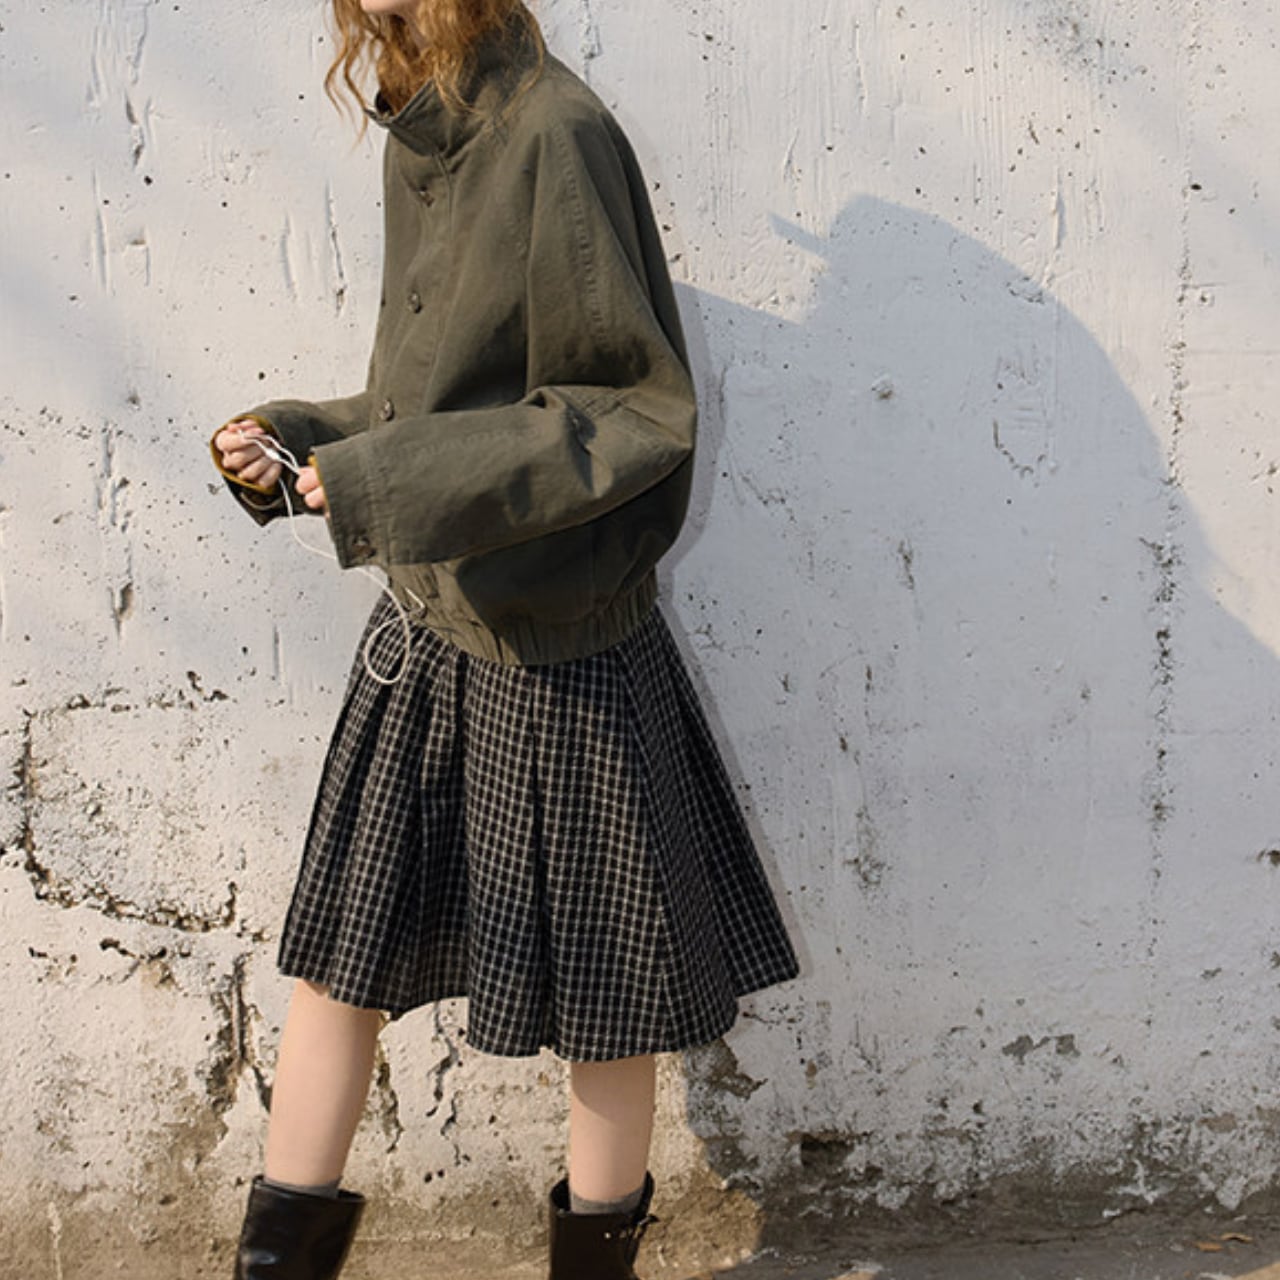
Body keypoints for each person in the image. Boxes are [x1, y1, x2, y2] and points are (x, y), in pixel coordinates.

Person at [210, 1, 799, 1276]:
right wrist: (301, 441)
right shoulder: (426, 129)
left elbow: (631, 413)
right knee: (339, 961)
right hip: (430, 634)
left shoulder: (556, 132)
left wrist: (381, 477)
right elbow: (429, 401)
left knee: (607, 998)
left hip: (565, 657)